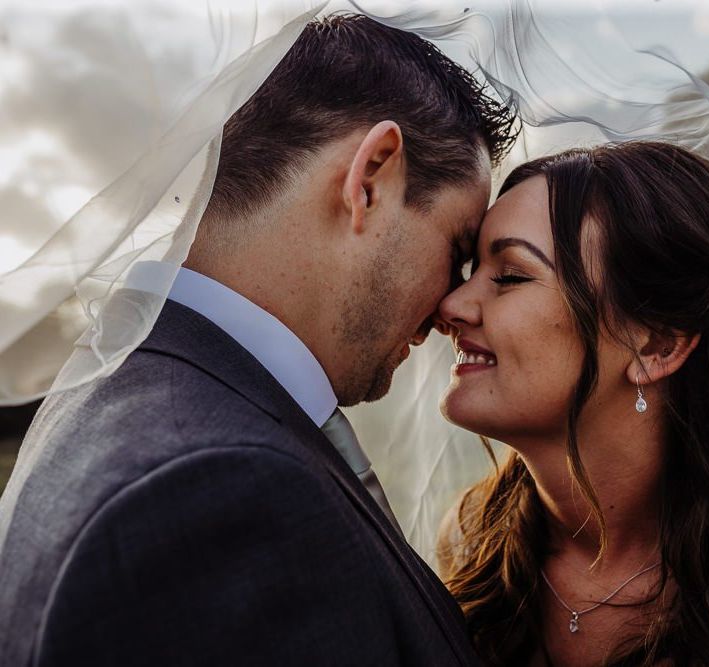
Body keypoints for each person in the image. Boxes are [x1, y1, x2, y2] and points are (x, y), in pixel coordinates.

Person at [0, 14, 518, 667]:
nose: (449, 307)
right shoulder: (222, 490)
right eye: (456, 249)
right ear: (370, 176)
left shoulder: (115, 386)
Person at [437, 140, 709, 666]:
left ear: (656, 345)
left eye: (509, 276)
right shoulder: (473, 549)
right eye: (468, 271)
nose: (452, 306)